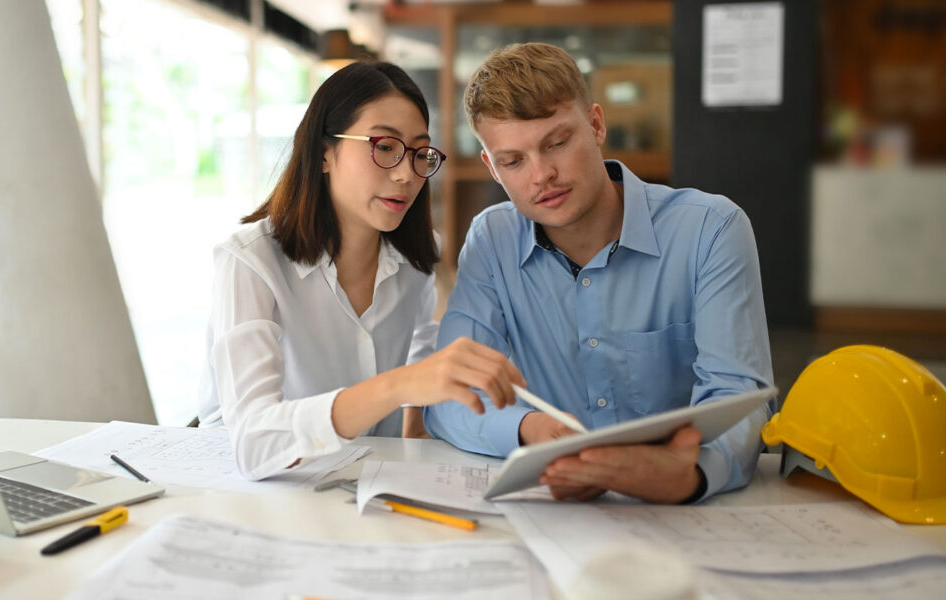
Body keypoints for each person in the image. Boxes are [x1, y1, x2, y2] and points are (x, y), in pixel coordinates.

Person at [424, 43, 775, 504]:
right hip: (559, 513)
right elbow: (450, 397)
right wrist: (529, 431)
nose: (542, 175)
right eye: (514, 161)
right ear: (492, 167)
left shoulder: (711, 229)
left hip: (687, 511)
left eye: (558, 142)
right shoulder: (492, 240)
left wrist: (689, 475)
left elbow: (741, 397)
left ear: (596, 125)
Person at [196, 61, 526, 481]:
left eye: (420, 153)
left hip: (364, 490)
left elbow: (420, 406)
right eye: (385, 146)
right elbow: (255, 441)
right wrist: (401, 384)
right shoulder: (249, 262)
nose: (407, 174)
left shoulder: (418, 261)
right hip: (250, 492)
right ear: (323, 154)